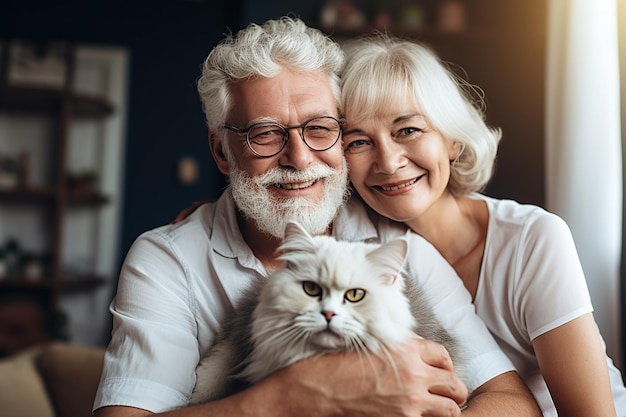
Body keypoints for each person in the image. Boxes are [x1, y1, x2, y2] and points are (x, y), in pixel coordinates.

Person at [93, 17, 542, 417]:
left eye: (320, 128)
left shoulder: (396, 240)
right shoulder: (167, 260)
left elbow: (514, 403)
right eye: (265, 134)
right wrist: (291, 397)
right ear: (221, 151)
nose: (300, 158)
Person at [339, 33, 626, 417]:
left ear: (452, 140)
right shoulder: (357, 247)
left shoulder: (532, 239)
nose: (388, 162)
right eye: (358, 142)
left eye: (408, 130)